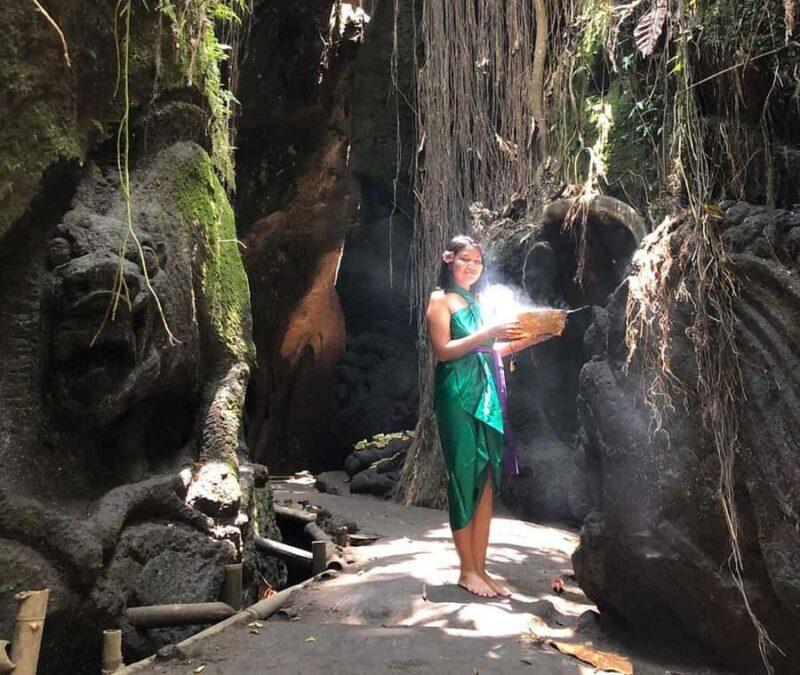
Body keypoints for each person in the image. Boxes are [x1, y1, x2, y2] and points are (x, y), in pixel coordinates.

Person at [426, 235, 565, 598]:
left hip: (485, 391)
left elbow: (492, 350)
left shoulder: (479, 302)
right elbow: (443, 351)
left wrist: (533, 338)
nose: (471, 266)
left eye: (477, 262)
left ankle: (481, 569)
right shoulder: (440, 301)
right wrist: (489, 332)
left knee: (486, 476)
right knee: (463, 474)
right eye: (464, 259)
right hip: (456, 392)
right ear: (448, 260)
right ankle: (466, 570)